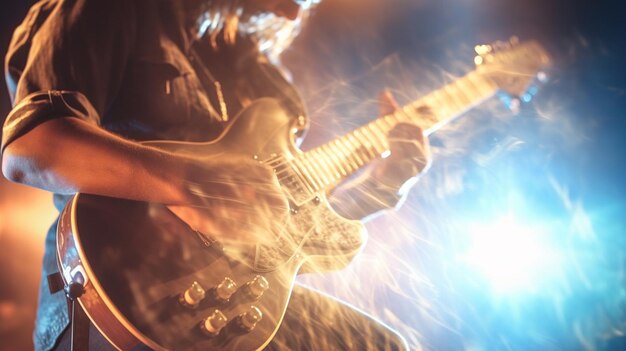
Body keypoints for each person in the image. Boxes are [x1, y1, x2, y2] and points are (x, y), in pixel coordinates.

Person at [1, 0, 431, 350]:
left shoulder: (258, 73)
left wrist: (380, 186)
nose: (293, 14)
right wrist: (200, 181)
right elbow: (34, 146)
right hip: (109, 302)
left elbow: (286, 219)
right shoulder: (114, 8)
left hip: (231, 307)